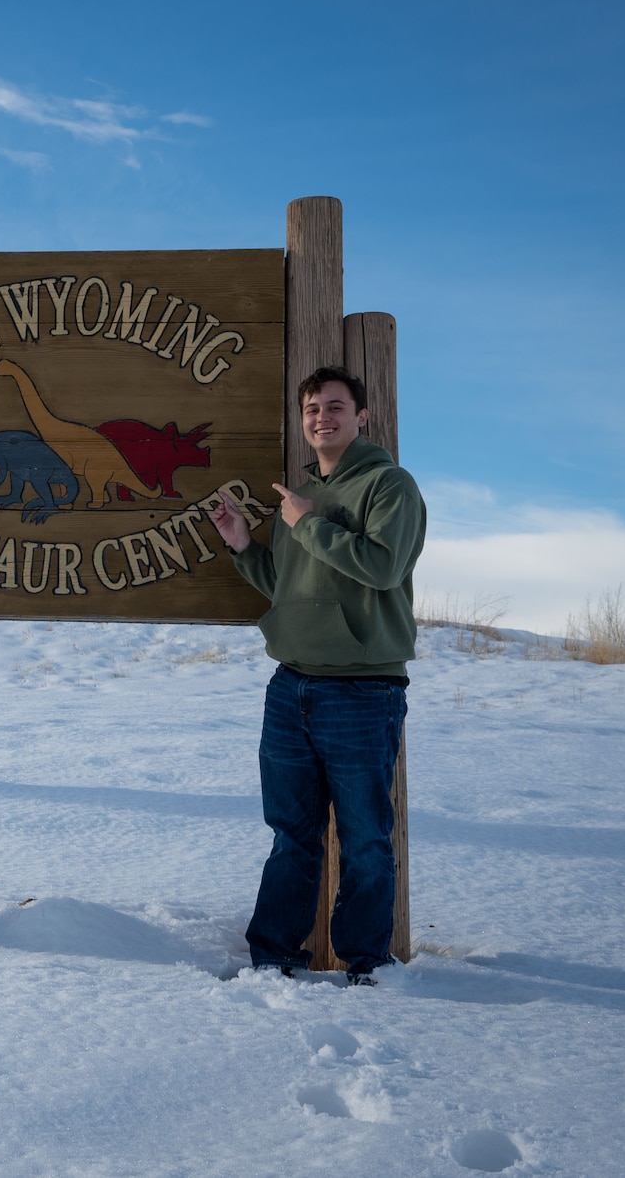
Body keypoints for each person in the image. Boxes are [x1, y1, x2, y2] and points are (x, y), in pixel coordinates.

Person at [208, 365, 426, 984]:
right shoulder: (297, 498)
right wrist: (244, 546)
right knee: (291, 835)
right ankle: (273, 956)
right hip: (291, 686)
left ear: (362, 417)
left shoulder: (390, 486)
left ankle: (366, 964)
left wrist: (308, 522)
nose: (321, 418)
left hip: (362, 690)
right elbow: (286, 589)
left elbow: (381, 568)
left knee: (363, 838)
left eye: (335, 407)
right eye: (311, 410)